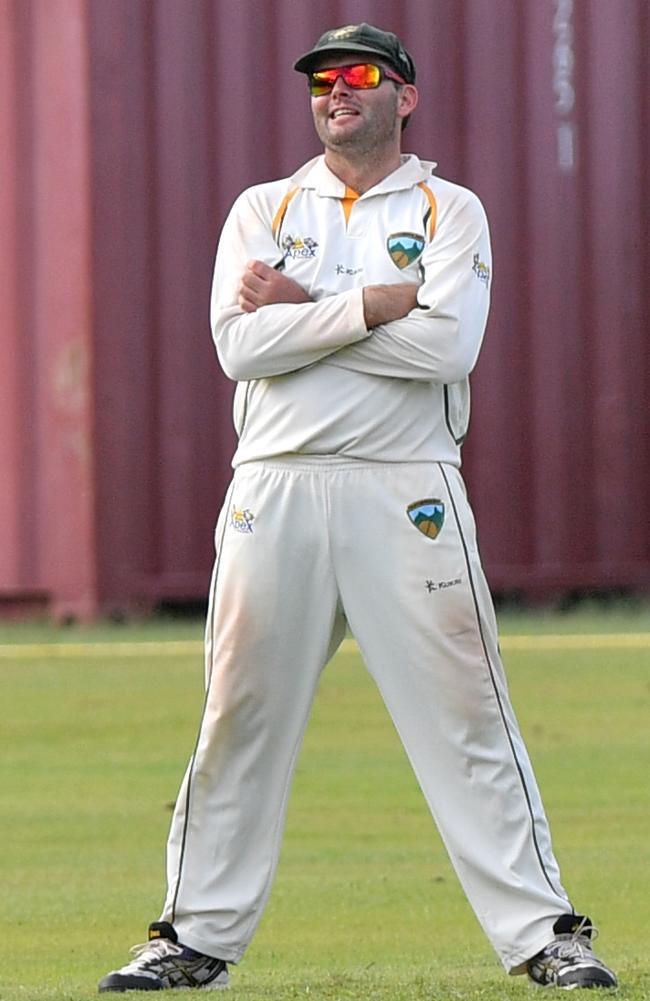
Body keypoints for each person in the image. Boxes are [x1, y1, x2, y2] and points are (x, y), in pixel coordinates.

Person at [99, 23, 617, 993]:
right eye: (322, 80)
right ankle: (191, 936)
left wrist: (301, 306)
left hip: (404, 481)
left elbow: (444, 352)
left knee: (467, 712)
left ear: (403, 96)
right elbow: (239, 349)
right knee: (236, 714)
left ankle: (544, 931)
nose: (337, 91)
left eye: (360, 76)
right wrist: (371, 303)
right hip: (276, 483)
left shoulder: (447, 207)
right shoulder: (264, 205)